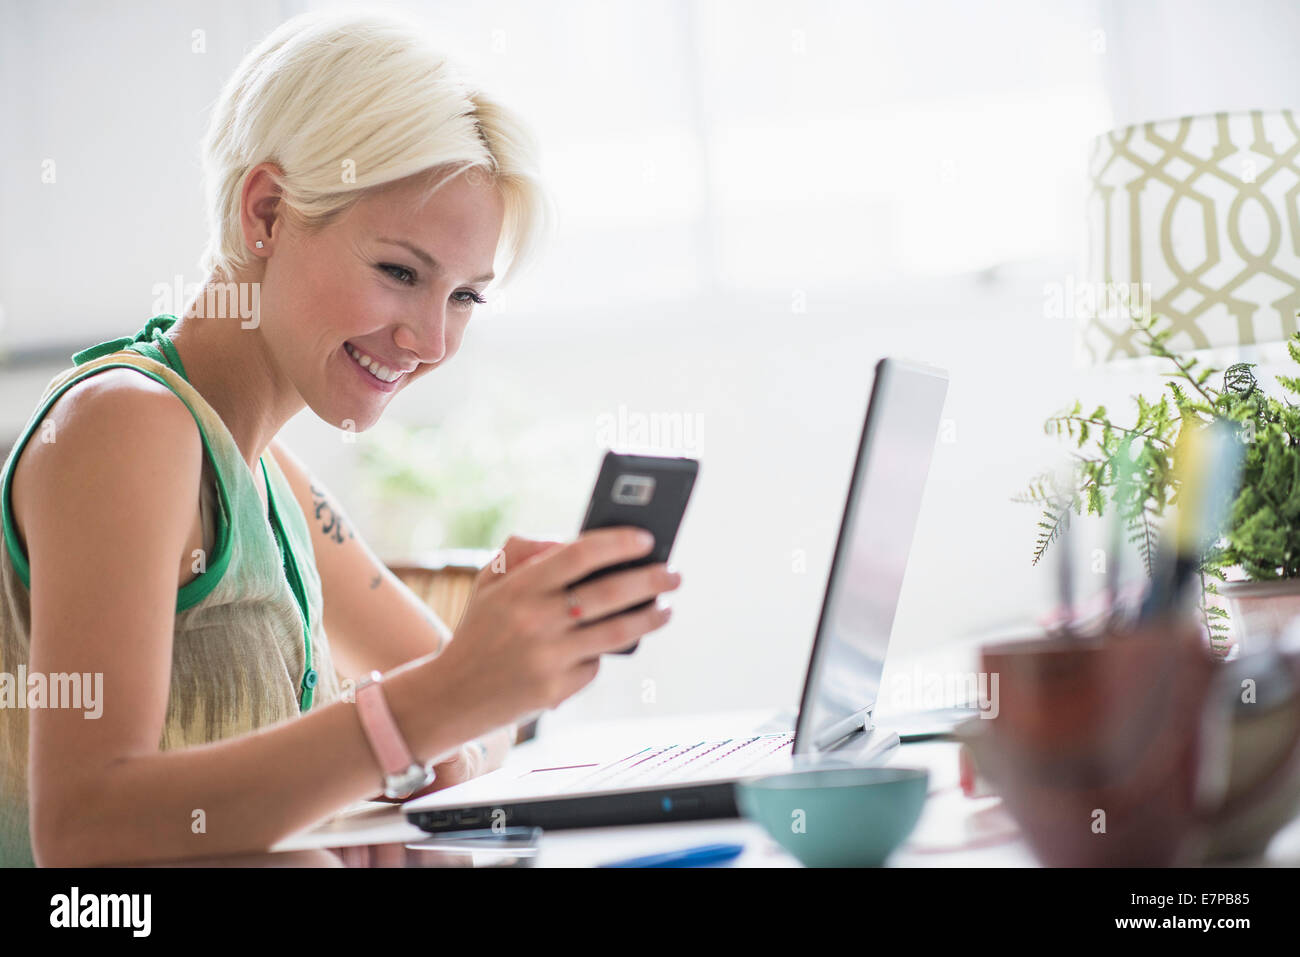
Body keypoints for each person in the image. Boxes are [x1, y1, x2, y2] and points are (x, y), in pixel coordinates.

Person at [0, 9, 680, 867]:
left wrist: (494, 660)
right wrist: (417, 722)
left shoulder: (262, 470)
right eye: (400, 272)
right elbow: (85, 832)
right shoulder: (127, 426)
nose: (432, 341)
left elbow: (470, 710)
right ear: (268, 211)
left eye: (467, 296)